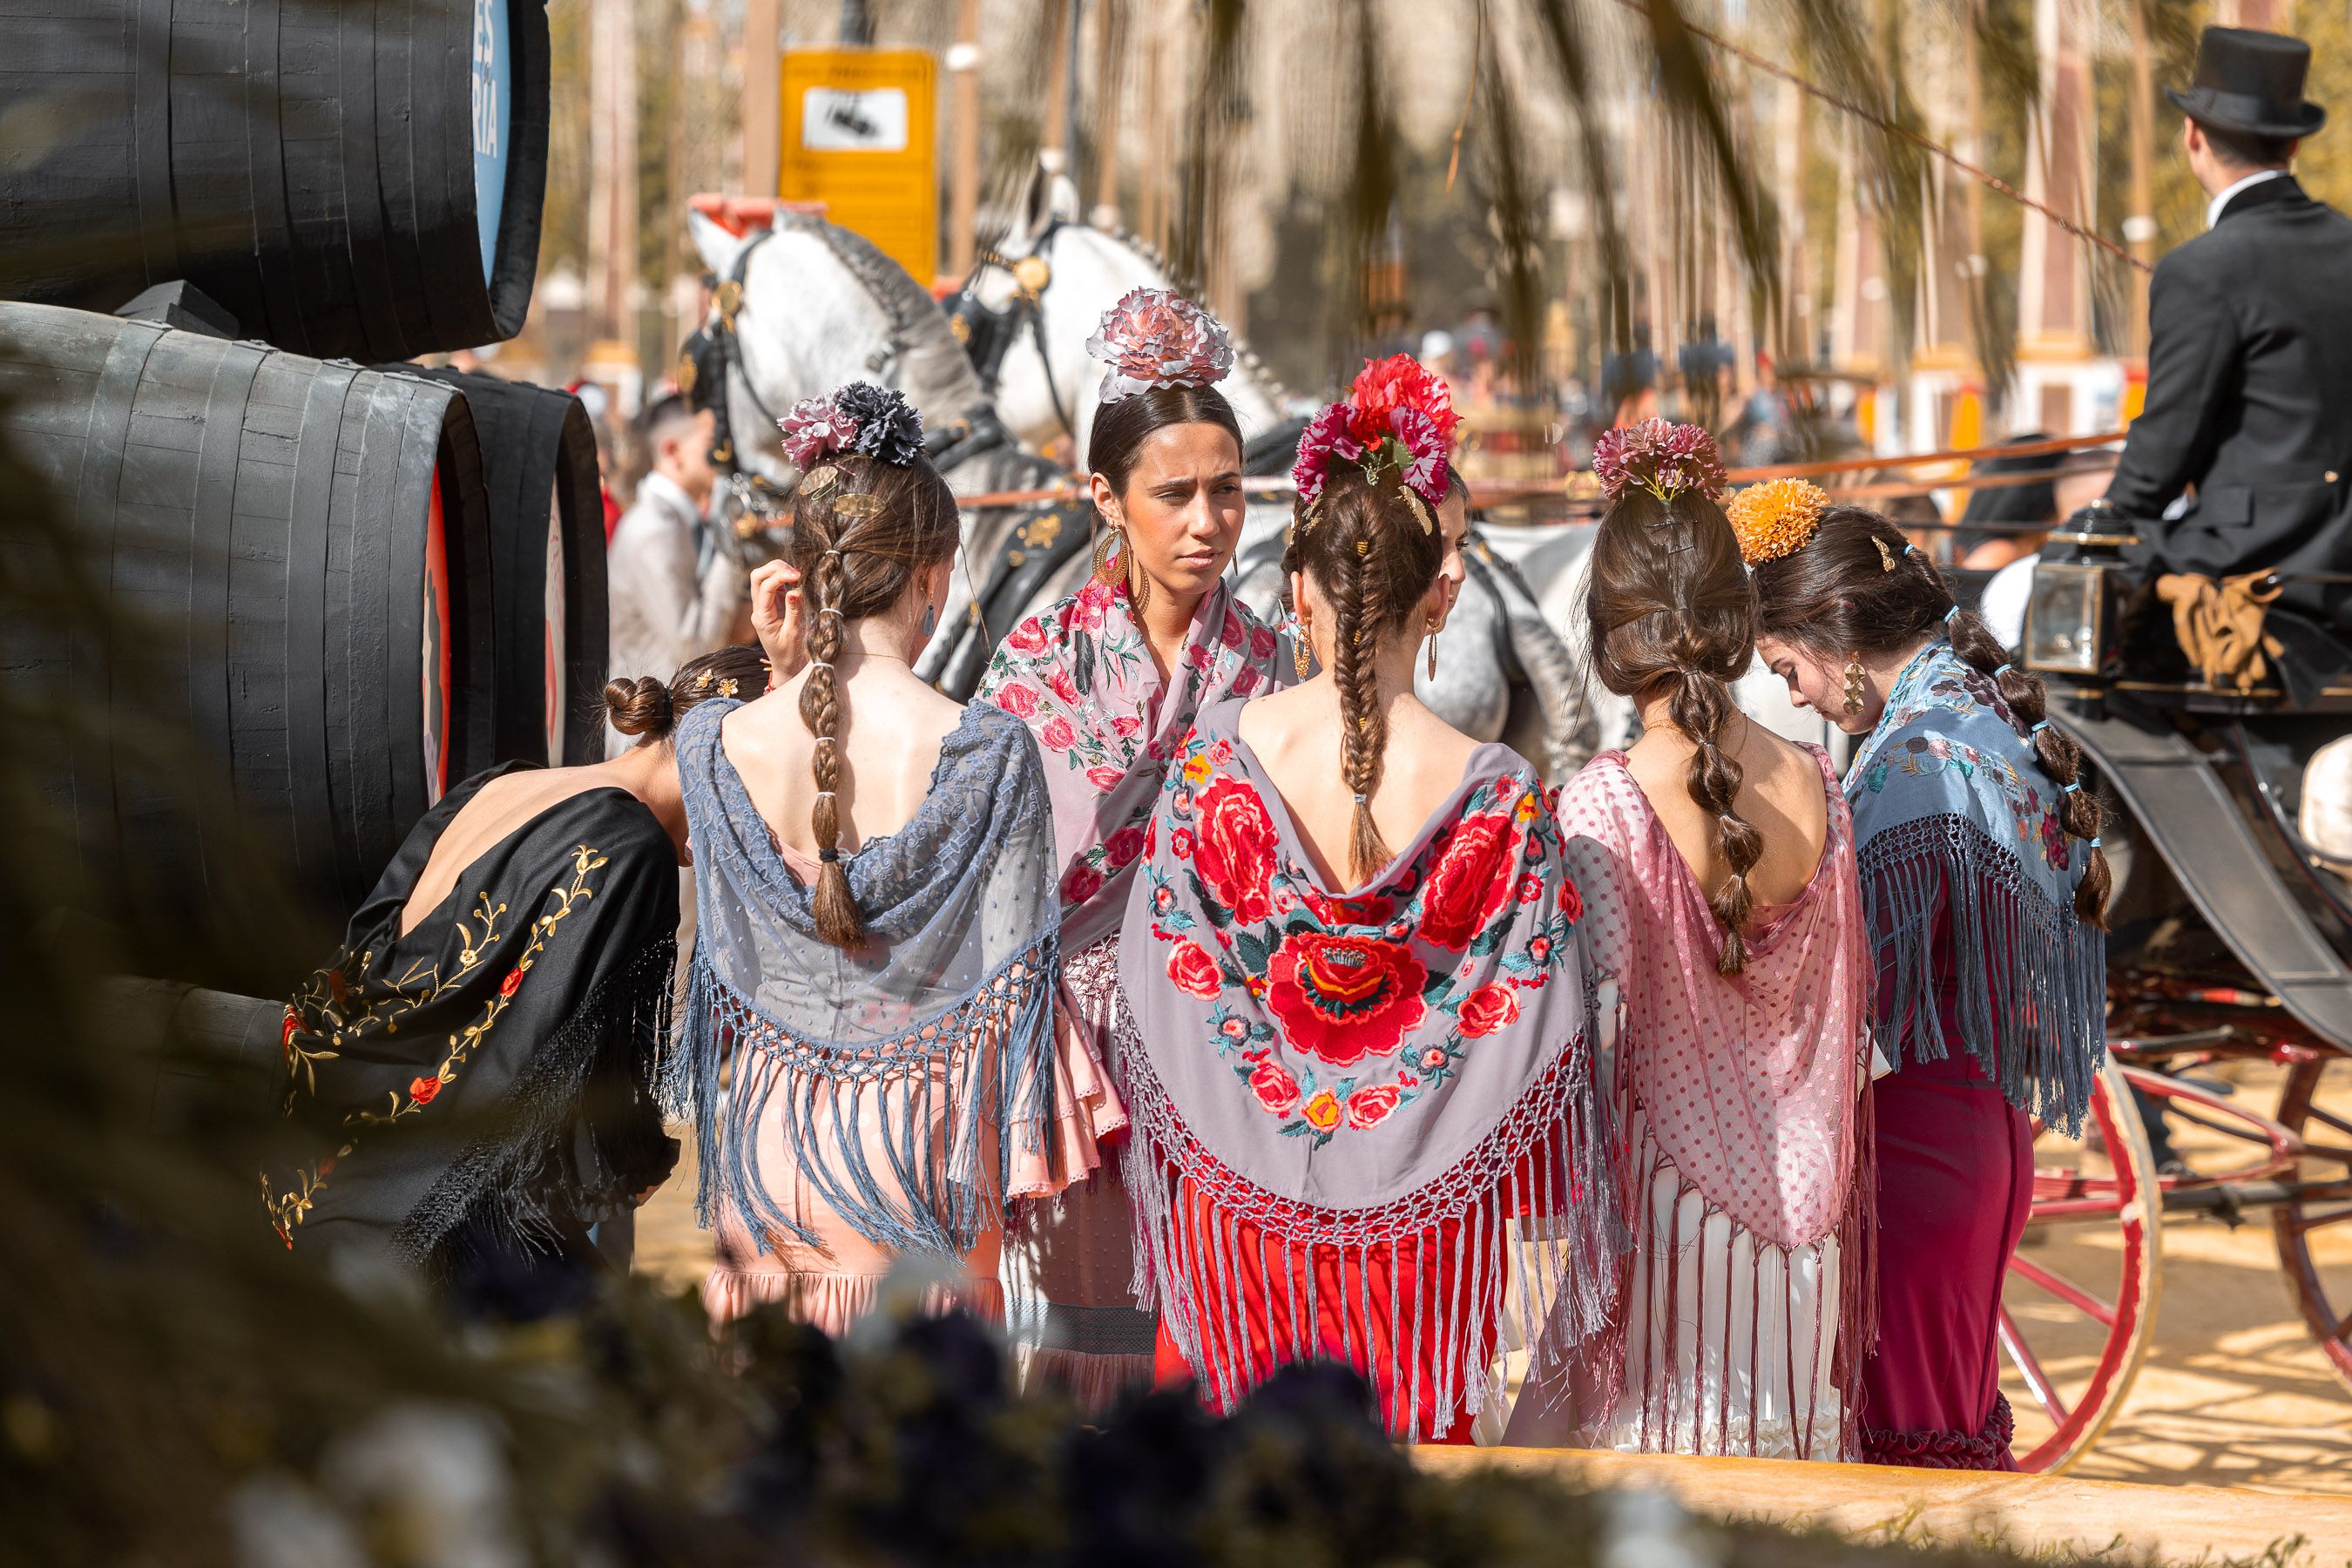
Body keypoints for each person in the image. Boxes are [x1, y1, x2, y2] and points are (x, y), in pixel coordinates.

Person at [1117, 358, 1614, 1442]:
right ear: (1442, 596)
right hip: (1421, 1232)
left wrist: (1259, 1110)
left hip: (1236, 1215)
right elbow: (1532, 1024)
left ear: (1298, 589)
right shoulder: (1499, 792)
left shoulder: (1213, 762)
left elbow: (1159, 984)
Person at [672, 383, 1096, 1334]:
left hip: (769, 1138)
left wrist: (782, 673)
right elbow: (1014, 984)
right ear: (934, 576)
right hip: (927, 1150)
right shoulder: (988, 748)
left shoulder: (710, 743)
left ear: (805, 568)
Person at [1750, 497, 2109, 1470]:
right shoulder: (1984, 716)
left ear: (1835, 632)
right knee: (1943, 1433)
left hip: (1908, 1148)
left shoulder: (1914, 760)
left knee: (1909, 1460)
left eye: (1788, 669)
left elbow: (1850, 975)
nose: (1793, 700)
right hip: (1980, 1129)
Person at [975, 289, 1281, 1409]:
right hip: (1076, 1053)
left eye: (1229, 491)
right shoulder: (1033, 667)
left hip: (1222, 1038)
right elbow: (978, 876)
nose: (1207, 521)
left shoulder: (1268, 665)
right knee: (1086, 1339)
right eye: (1175, 493)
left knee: (1211, 1333)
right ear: (1105, 497)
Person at [1540, 443, 1876, 1460]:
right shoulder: (1822, 780)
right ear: (1739, 628)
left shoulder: (1605, 803)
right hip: (1810, 1234)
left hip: (1673, 1232)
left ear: (1605, 635)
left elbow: (1585, 1055)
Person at [262, 644, 770, 1310]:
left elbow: (382, 958)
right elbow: (574, 1097)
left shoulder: (506, 783)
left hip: (308, 1160)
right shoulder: (628, 847)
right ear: (731, 765)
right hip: (419, 1216)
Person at [2105, 25, 2352, 674]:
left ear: (2193, 136)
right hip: (2339, 561)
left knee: (2020, 596)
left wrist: (2096, 530)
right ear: (2294, 141)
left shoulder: (2202, 268)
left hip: (2250, 559)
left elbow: (2161, 457)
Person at [607, 395, 748, 752]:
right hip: (646, 743)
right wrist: (732, 542)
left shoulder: (674, 523)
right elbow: (696, 644)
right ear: (673, 450)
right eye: (711, 442)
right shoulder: (653, 528)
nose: (724, 453)